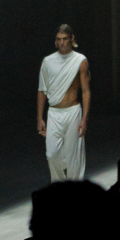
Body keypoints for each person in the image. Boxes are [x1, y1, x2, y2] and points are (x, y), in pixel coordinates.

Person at [36, 24, 90, 181]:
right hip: (54, 113)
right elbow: (42, 90)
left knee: (74, 157)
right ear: (55, 41)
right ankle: (59, 188)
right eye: (59, 39)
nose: (62, 42)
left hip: (73, 111)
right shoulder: (48, 61)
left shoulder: (80, 60)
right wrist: (39, 118)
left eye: (65, 39)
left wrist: (85, 118)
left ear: (72, 39)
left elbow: (86, 91)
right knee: (52, 154)